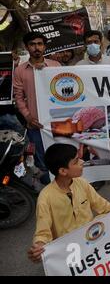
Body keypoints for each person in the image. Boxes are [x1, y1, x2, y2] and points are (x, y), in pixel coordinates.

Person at [27, 143, 110, 274]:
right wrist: (39, 246)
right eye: (76, 161)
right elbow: (43, 232)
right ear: (63, 171)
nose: (82, 162)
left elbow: (105, 208)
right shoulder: (45, 197)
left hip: (93, 236)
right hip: (70, 249)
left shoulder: (82, 183)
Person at [13, 32, 61, 184]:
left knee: (60, 156)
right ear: (27, 47)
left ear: (44, 46)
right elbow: (18, 97)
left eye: (40, 44)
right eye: (32, 44)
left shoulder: (55, 66)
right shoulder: (20, 70)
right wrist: (28, 117)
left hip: (57, 122)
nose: (36, 48)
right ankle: (50, 189)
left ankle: (64, 187)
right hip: (35, 124)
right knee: (42, 158)